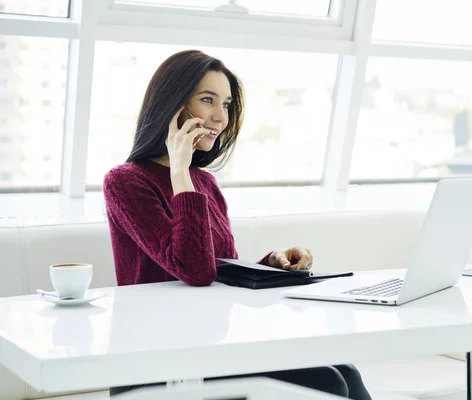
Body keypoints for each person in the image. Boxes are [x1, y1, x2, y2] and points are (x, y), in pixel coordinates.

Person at [102, 49, 372, 400]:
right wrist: (179, 171)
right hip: (161, 361)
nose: (220, 117)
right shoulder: (126, 182)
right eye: (207, 100)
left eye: (226, 104)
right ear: (173, 106)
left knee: (344, 370)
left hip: (212, 348)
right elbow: (194, 271)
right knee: (328, 384)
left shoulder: (205, 184)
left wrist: (271, 261)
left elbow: (218, 270)